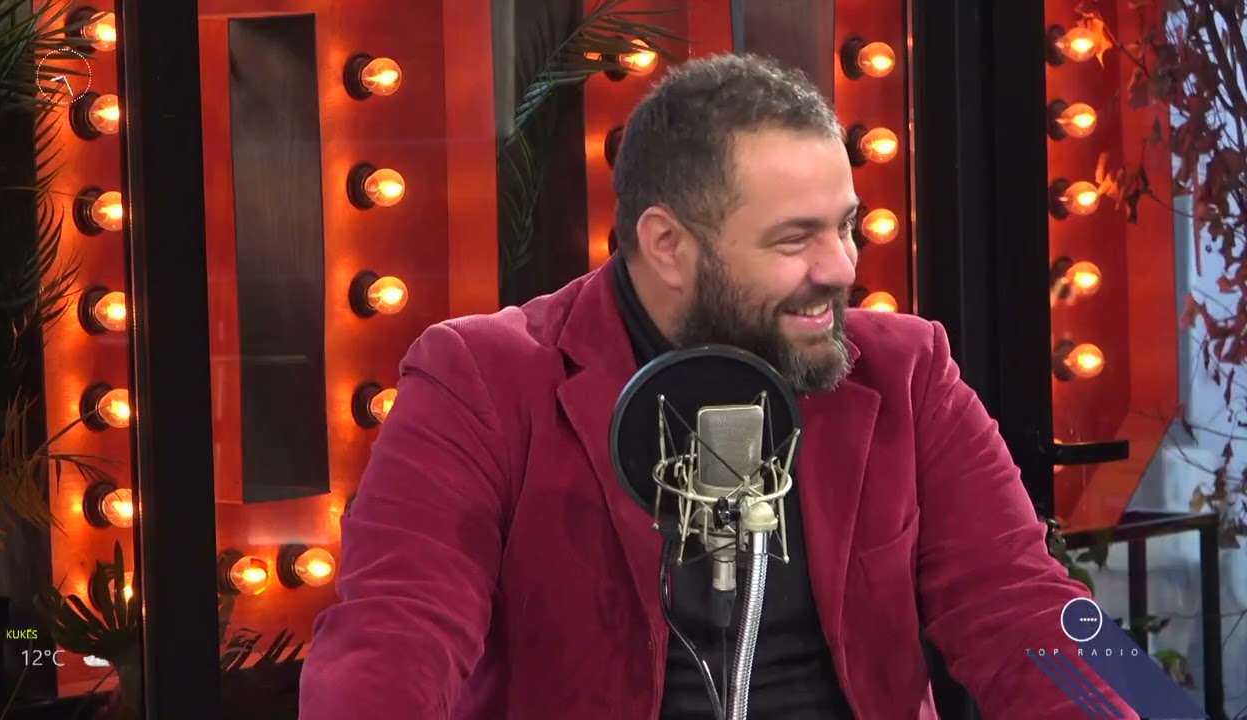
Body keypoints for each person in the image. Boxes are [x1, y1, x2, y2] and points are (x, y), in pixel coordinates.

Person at [299, 53, 1136, 719]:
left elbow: (1023, 602)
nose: (840, 269)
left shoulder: (908, 369)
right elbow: (395, 635)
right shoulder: (482, 379)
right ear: (667, 244)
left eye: (845, 226)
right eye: (795, 240)